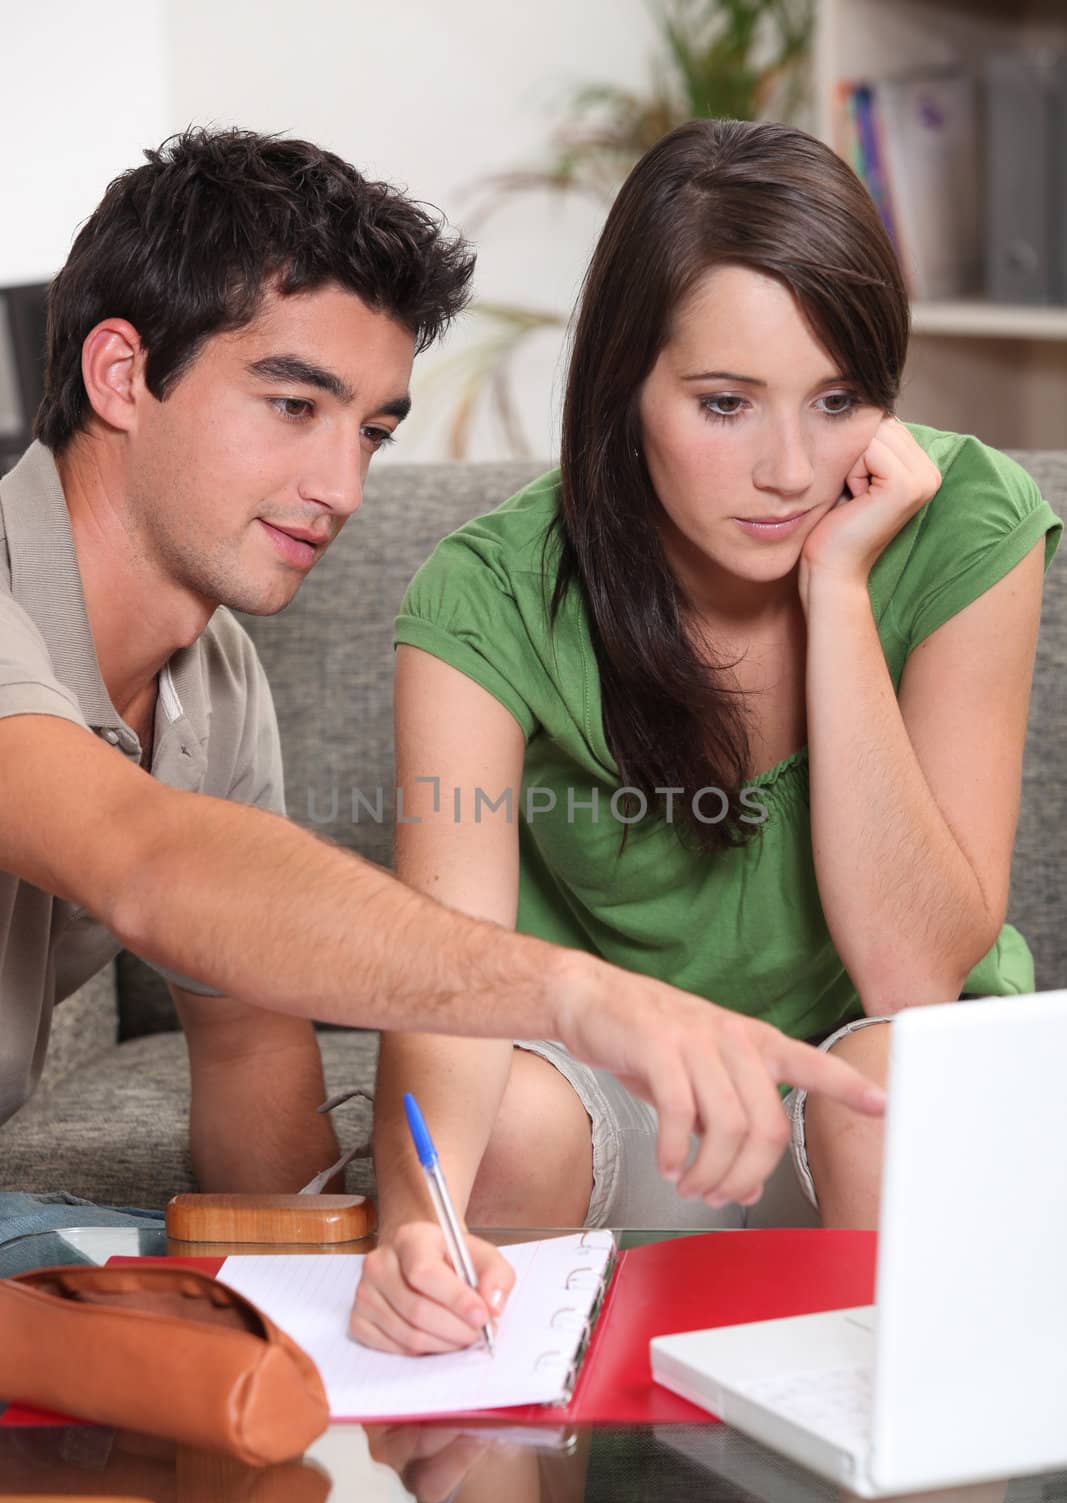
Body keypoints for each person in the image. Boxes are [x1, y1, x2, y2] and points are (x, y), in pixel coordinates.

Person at [0, 127, 879, 1251]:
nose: (341, 486)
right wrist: (573, 995)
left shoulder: (213, 687)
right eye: (291, 406)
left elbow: (249, 1048)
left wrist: (326, 1301)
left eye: (369, 431)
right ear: (122, 375)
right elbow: (148, 861)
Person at [353, 118, 1061, 1352]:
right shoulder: (487, 594)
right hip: (612, 1108)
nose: (789, 470)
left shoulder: (964, 526)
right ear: (626, 386)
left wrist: (836, 593)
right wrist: (418, 1224)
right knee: (505, 1139)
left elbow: (910, 974)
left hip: (862, 1086)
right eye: (725, 403)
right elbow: (448, 974)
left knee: (894, 1103)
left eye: (838, 401)